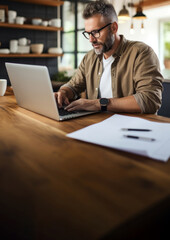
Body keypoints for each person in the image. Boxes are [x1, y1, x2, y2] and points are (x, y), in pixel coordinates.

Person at [55, 0, 163, 114]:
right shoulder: (89, 58)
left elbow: (150, 100)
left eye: (96, 32)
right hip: (98, 124)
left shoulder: (141, 53)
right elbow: (73, 86)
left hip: (134, 127)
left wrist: (97, 104)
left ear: (114, 28)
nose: (91, 39)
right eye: (88, 33)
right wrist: (63, 92)